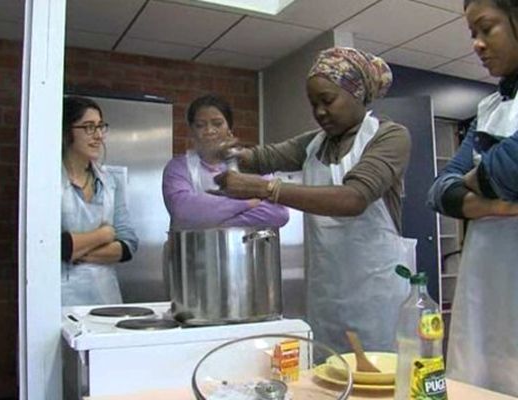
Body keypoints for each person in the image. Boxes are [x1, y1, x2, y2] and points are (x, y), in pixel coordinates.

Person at [213, 47, 414, 353]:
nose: (319, 111)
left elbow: (354, 198)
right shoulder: (314, 143)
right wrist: (227, 153)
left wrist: (267, 189)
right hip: (327, 294)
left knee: (378, 382)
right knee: (328, 376)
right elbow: (262, 158)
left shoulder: (390, 137)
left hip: (377, 296)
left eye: (327, 100)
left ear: (357, 93)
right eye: (313, 103)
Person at [427, 0, 518, 395]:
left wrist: (482, 176)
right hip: (488, 286)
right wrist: (494, 202)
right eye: (472, 34)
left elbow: (508, 169)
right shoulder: (490, 107)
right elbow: (439, 190)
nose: (477, 44)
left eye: (487, 28)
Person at [162, 94, 289, 230]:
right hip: (193, 250)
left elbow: (279, 213)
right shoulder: (178, 168)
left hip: (245, 250)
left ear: (229, 128)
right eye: (200, 125)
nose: (209, 131)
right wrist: (248, 203)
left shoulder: (249, 164)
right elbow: (183, 212)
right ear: (192, 131)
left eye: (217, 124)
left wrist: (211, 224)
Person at [61, 96, 139, 306]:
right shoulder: (50, 181)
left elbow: (128, 245)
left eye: (100, 127)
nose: (98, 136)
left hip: (106, 299)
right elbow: (56, 247)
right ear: (67, 132)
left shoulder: (110, 181)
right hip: (62, 299)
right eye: (88, 127)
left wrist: (77, 251)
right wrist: (104, 234)